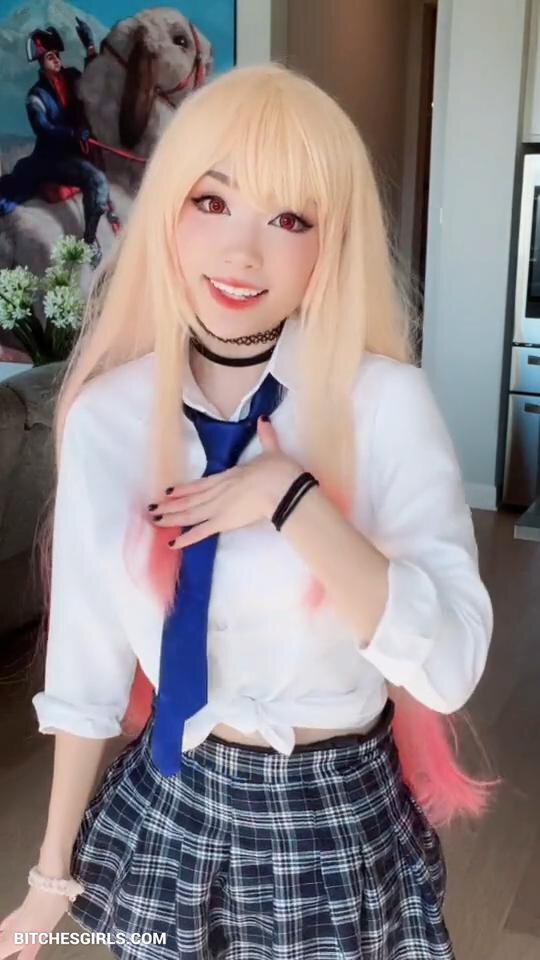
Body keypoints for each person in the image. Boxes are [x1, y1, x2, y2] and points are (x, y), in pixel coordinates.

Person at [0, 63, 499, 959]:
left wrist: (290, 499)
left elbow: (450, 669)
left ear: (332, 243)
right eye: (212, 201)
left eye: (290, 219)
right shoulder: (108, 416)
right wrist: (48, 878)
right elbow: (87, 665)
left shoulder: (384, 403)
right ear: (167, 212)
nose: (242, 253)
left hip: (337, 824)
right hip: (171, 804)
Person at [0, 22, 118, 264]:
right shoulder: (36, 95)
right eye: (50, 56)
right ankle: (89, 244)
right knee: (96, 180)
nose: (56, 59)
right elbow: (43, 127)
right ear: (41, 62)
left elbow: (94, 84)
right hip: (54, 157)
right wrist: (72, 133)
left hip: (81, 150)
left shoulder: (72, 77)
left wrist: (90, 46)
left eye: (57, 54)